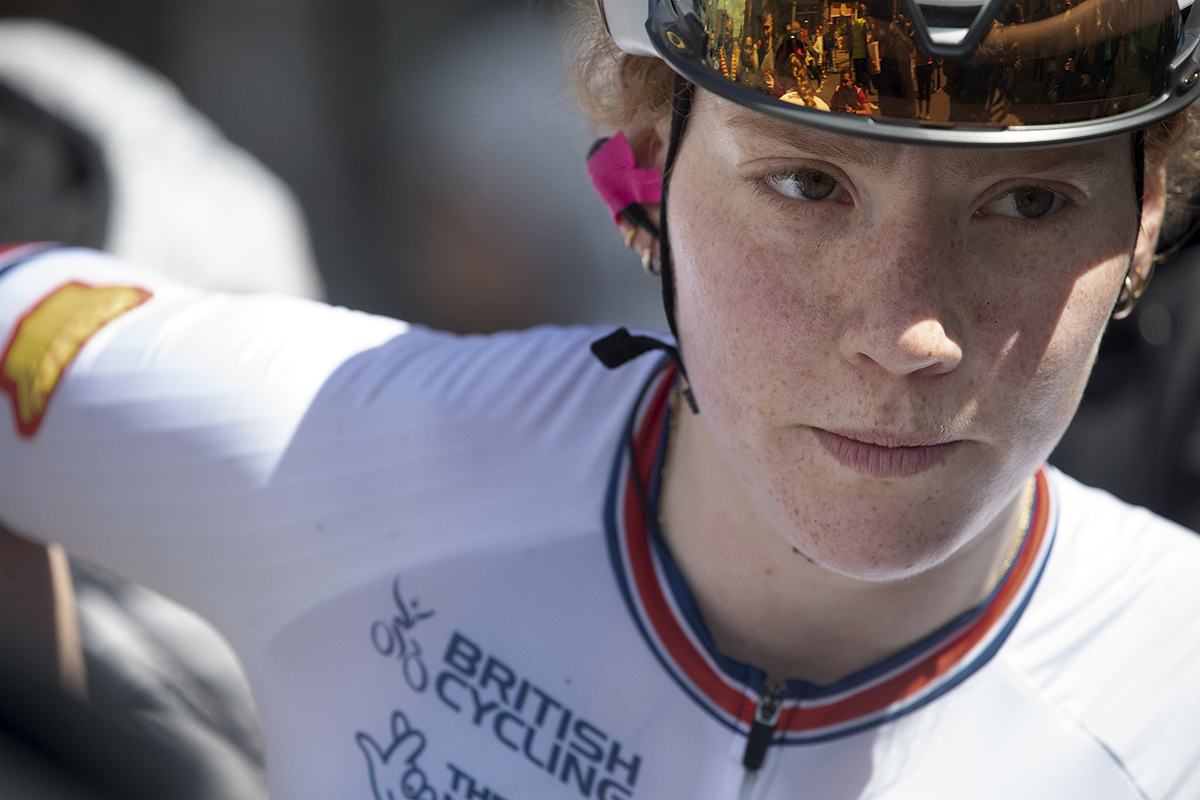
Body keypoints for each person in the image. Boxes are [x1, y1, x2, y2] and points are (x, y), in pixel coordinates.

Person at [4, 2, 1200, 800]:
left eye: (1029, 204)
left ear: (1145, 220)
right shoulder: (345, 450)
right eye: (806, 183)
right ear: (642, 169)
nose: (907, 334)